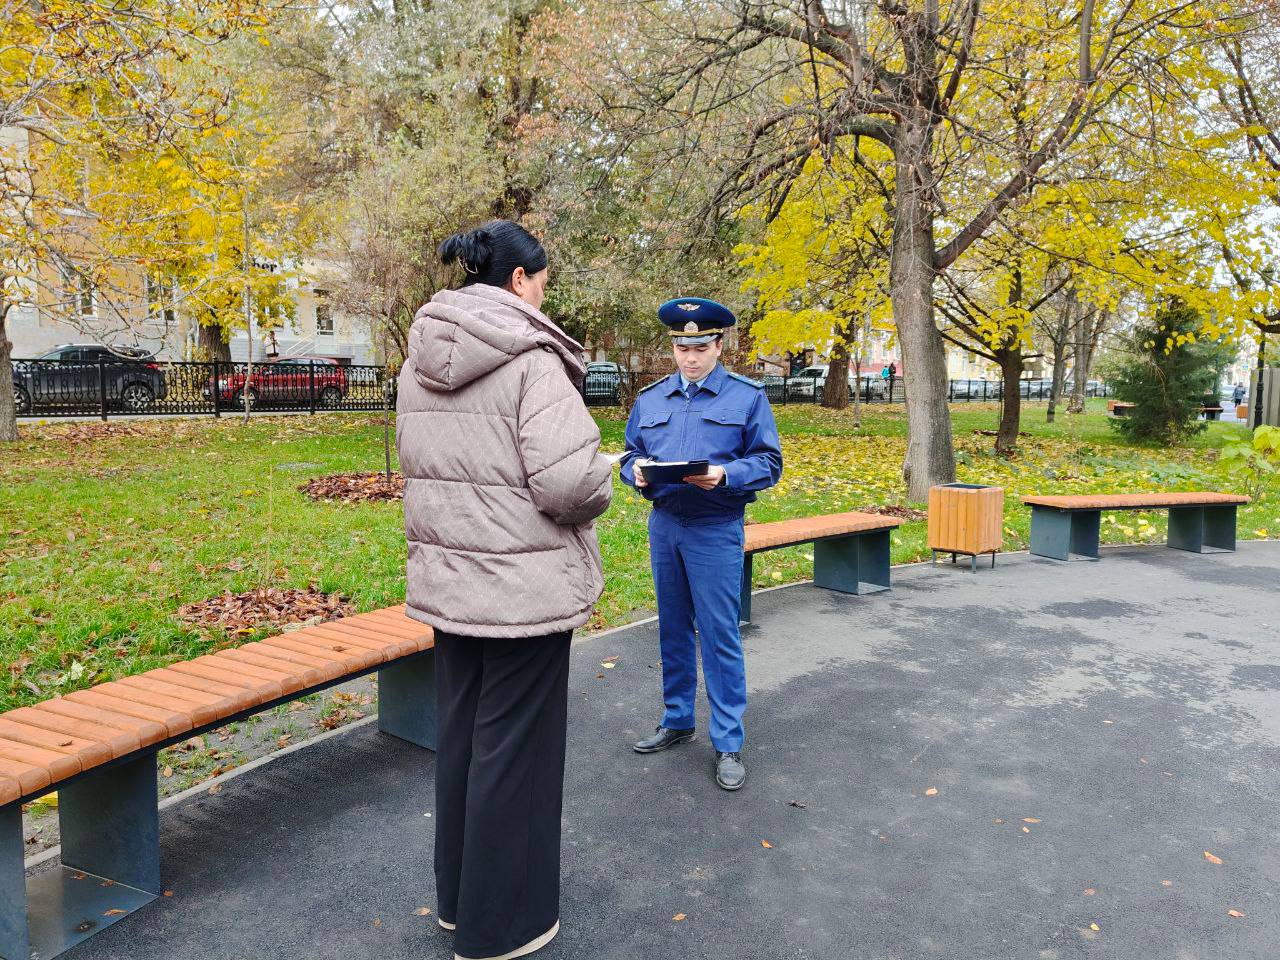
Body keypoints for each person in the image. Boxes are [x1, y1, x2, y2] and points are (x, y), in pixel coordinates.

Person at [397, 219, 613, 960]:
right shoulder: (532, 361)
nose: (545, 297)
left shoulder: (417, 359)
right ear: (520, 281)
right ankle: (503, 927)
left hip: (449, 583)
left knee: (462, 741)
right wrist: (603, 476)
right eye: (543, 282)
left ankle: (459, 904)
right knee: (514, 754)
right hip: (522, 589)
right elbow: (565, 483)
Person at [619, 298, 783, 791]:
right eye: (681, 347)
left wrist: (727, 473)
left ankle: (728, 740)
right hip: (665, 524)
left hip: (715, 526)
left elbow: (769, 462)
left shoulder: (746, 397)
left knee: (719, 634)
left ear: (718, 345)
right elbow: (630, 452)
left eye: (701, 347)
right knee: (671, 627)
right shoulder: (651, 399)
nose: (690, 357)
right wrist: (636, 475)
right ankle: (677, 719)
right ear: (673, 346)